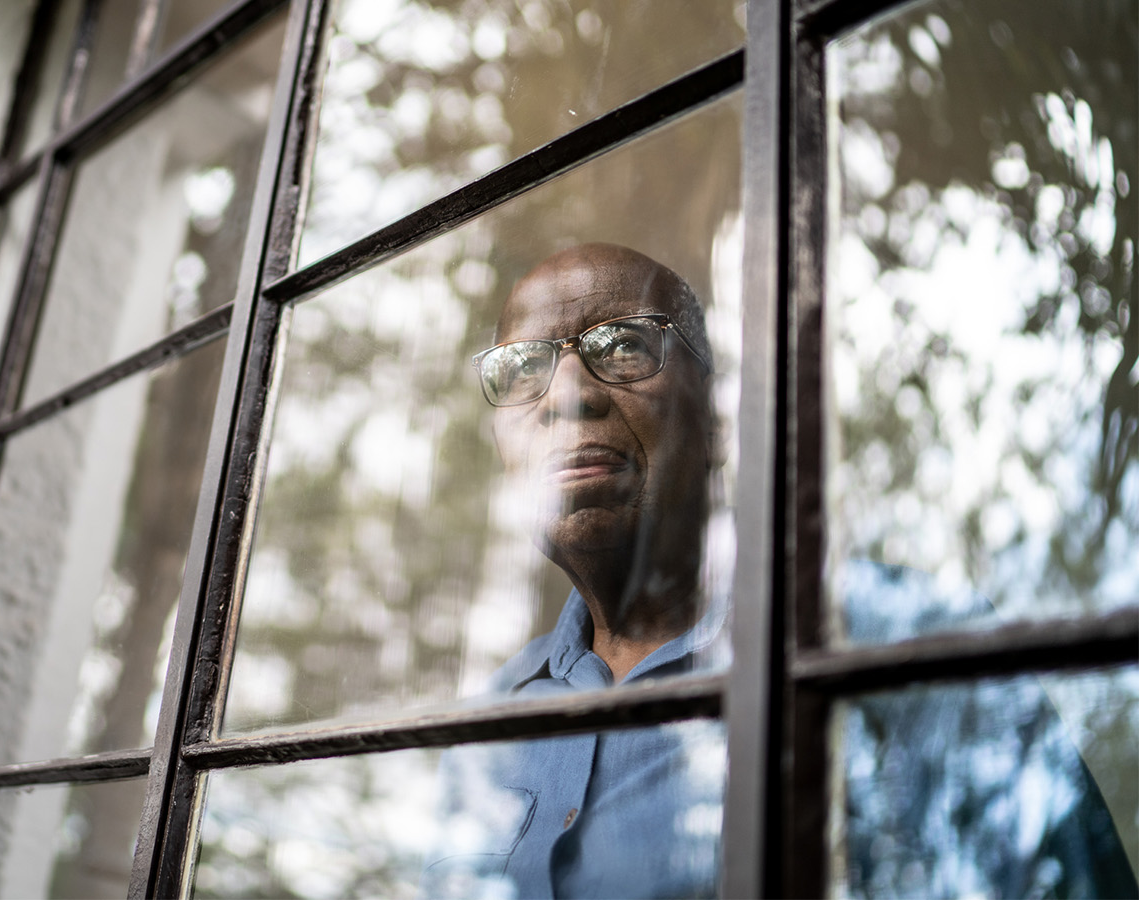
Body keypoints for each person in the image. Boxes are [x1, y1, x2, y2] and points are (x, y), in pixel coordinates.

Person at [421, 243, 1137, 899]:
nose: (570, 393)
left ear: (718, 426)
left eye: (625, 345)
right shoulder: (488, 723)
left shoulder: (902, 648)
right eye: (522, 369)